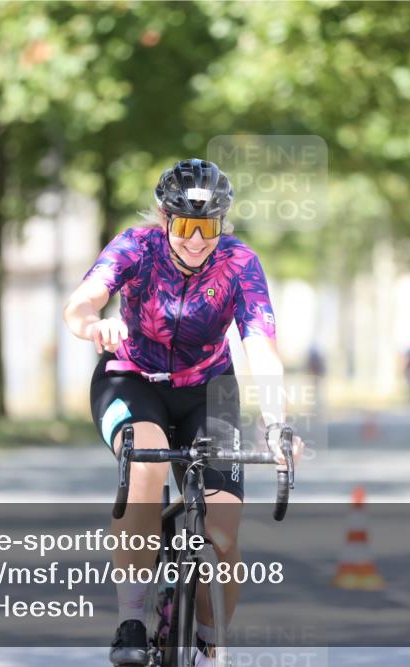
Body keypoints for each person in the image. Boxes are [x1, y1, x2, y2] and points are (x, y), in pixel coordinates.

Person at [63, 159, 304, 666]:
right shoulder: (136, 247)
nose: (196, 240)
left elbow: (261, 346)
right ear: (165, 220)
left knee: (222, 533)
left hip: (208, 389)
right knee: (147, 463)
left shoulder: (239, 264)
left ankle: (210, 646)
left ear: (222, 224)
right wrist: (93, 325)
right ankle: (131, 621)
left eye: (208, 227)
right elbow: (81, 303)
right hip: (131, 379)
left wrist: (277, 422)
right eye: (186, 227)